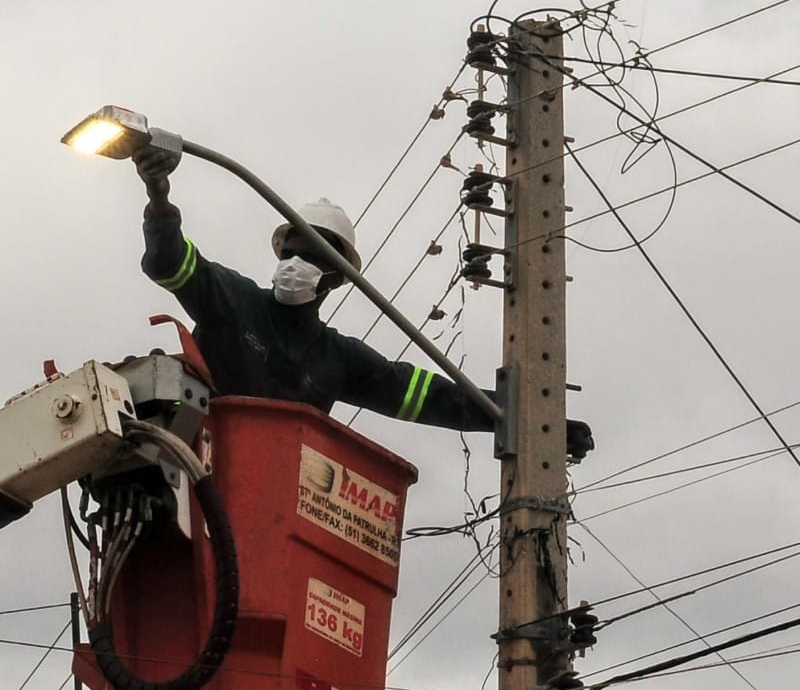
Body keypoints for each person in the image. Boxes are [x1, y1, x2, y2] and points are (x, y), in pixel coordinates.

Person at [131, 147, 593, 460]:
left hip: (276, 492)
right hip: (204, 470)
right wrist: (159, 198)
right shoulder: (233, 301)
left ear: (338, 278)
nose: (295, 263)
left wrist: (536, 423)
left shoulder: (337, 358)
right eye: (290, 251)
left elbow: (428, 397)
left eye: (312, 256)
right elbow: (167, 262)